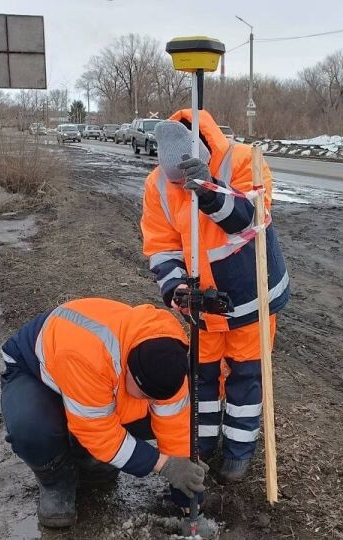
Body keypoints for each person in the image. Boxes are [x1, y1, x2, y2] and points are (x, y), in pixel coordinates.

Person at [141, 110, 290, 482]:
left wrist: (208, 191)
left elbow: (250, 219)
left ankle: (239, 453)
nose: (175, 186)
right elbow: (162, 245)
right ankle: (202, 447)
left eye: (181, 181)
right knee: (202, 377)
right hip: (202, 304)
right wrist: (176, 289)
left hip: (250, 296)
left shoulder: (244, 160)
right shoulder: (157, 184)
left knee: (245, 376)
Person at [0, 298, 208, 528]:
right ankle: (56, 479)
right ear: (128, 367)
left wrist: (186, 493)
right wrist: (164, 466)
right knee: (31, 427)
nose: (151, 401)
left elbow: (176, 429)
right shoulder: (87, 355)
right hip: (36, 372)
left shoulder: (168, 357)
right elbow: (98, 432)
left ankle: (88, 458)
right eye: (145, 393)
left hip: (95, 384)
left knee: (144, 418)